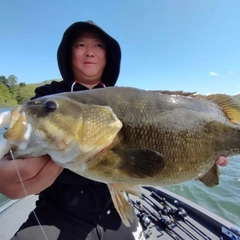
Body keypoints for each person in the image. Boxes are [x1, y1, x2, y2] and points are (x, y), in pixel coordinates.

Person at [0, 21, 229, 240]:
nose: (90, 52)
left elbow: (151, 162)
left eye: (98, 46)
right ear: (69, 53)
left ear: (108, 56)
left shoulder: (127, 99)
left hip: (116, 214)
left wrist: (205, 150)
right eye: (80, 45)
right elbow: (18, 149)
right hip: (58, 212)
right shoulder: (47, 97)